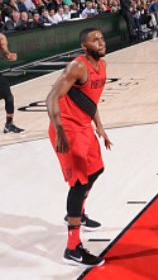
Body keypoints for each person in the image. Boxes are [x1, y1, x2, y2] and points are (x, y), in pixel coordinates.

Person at [46, 28, 112, 267]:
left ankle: (76, 213)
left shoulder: (102, 66)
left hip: (83, 126)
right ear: (85, 46)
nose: (101, 42)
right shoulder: (78, 66)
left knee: (96, 170)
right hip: (66, 129)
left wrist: (100, 127)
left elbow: (89, 101)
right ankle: (72, 248)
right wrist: (59, 129)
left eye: (102, 38)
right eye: (95, 39)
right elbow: (52, 97)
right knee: (79, 183)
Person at [0, 33, 23, 133]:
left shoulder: (1, 37)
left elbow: (5, 51)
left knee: (9, 97)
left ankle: (9, 125)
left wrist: (8, 55)